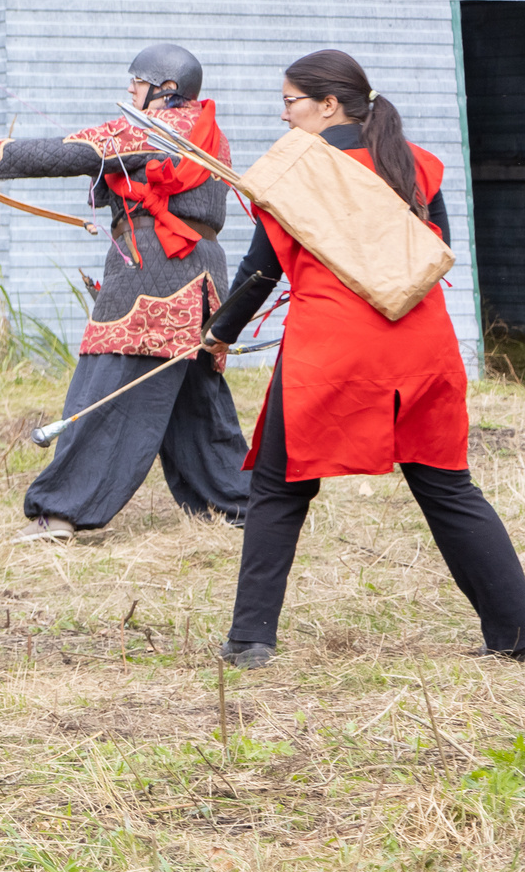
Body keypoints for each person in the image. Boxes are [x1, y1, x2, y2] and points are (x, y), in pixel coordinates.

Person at [205, 49, 525, 669]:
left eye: (290, 102)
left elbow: (257, 274)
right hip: (423, 351)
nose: (284, 116)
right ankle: (516, 632)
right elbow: (436, 257)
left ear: (328, 105)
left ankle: (249, 642)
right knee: (449, 488)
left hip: (332, 353)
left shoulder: (291, 175)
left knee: (277, 488)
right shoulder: (419, 165)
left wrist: (218, 335)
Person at [0, 44, 251, 542]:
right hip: (199, 279)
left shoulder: (155, 127)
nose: (131, 90)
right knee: (197, 398)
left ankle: (62, 511)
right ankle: (240, 505)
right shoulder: (206, 132)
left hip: (156, 277)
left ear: (166, 90)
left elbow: (70, 152)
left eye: (138, 81)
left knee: (110, 386)